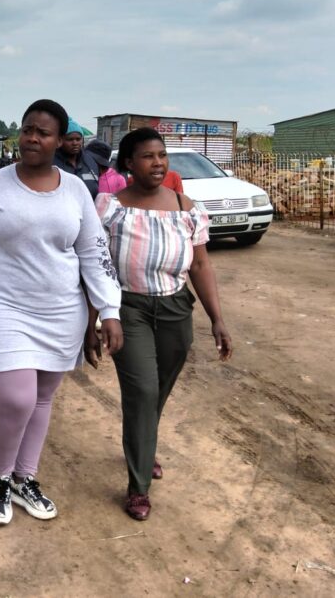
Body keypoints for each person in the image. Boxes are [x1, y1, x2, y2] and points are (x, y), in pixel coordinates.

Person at [0, 100, 123, 526]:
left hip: (60, 310)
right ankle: (1, 477)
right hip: (0, 303)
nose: (32, 138)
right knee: (16, 397)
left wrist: (108, 310)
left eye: (43, 132)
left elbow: (93, 253)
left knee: (41, 398)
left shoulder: (75, 190)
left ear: (60, 141)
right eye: (27, 130)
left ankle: (25, 477)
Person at [94, 127, 232, 521]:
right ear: (128, 164)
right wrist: (97, 317)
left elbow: (201, 264)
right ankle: (139, 486)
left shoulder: (187, 208)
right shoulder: (110, 206)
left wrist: (217, 319)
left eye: (162, 155)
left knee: (159, 389)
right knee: (142, 389)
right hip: (127, 308)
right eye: (148, 156)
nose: (158, 163)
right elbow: (95, 264)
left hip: (175, 308)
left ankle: (143, 444)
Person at [53, 119, 99, 196]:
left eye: (78, 139)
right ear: (60, 141)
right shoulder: (51, 163)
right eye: (70, 139)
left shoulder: (89, 161)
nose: (75, 143)